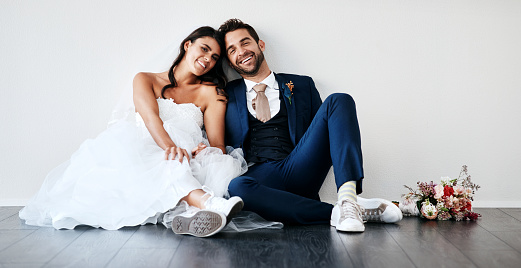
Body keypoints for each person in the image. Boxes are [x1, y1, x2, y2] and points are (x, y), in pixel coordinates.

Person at [19, 26, 247, 237]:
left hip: (189, 158)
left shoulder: (211, 93)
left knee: (194, 162)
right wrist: (171, 148)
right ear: (188, 45)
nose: (207, 59)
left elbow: (217, 143)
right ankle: (208, 204)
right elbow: (150, 117)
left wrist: (203, 149)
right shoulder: (144, 79)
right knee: (169, 161)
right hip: (141, 151)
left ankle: (190, 214)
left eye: (214, 57)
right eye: (204, 49)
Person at [219, 19, 402, 232]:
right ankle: (340, 212)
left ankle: (348, 197)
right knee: (237, 188)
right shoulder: (223, 94)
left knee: (339, 100)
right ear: (230, 62)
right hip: (259, 178)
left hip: (300, 166)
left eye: (245, 43)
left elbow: (327, 134)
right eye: (232, 50)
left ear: (260, 45)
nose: (241, 52)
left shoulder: (302, 84)